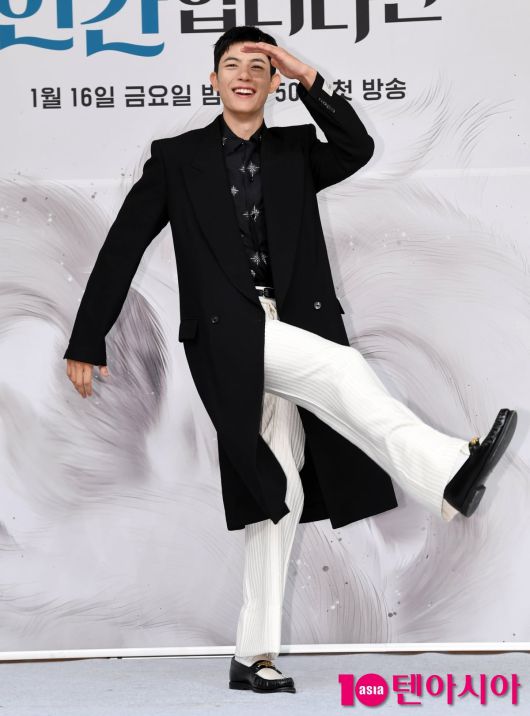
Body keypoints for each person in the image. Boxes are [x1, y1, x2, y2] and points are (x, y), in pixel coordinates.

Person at [63, 26, 518, 694]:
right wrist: (87, 337)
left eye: (259, 65)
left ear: (273, 82)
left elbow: (357, 147)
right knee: (341, 371)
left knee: (279, 495)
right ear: (213, 80)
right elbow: (122, 246)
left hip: (292, 324)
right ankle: (448, 470)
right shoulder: (177, 160)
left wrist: (309, 78)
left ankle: (252, 656)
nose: (245, 74)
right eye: (232, 64)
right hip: (226, 336)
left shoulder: (294, 152)